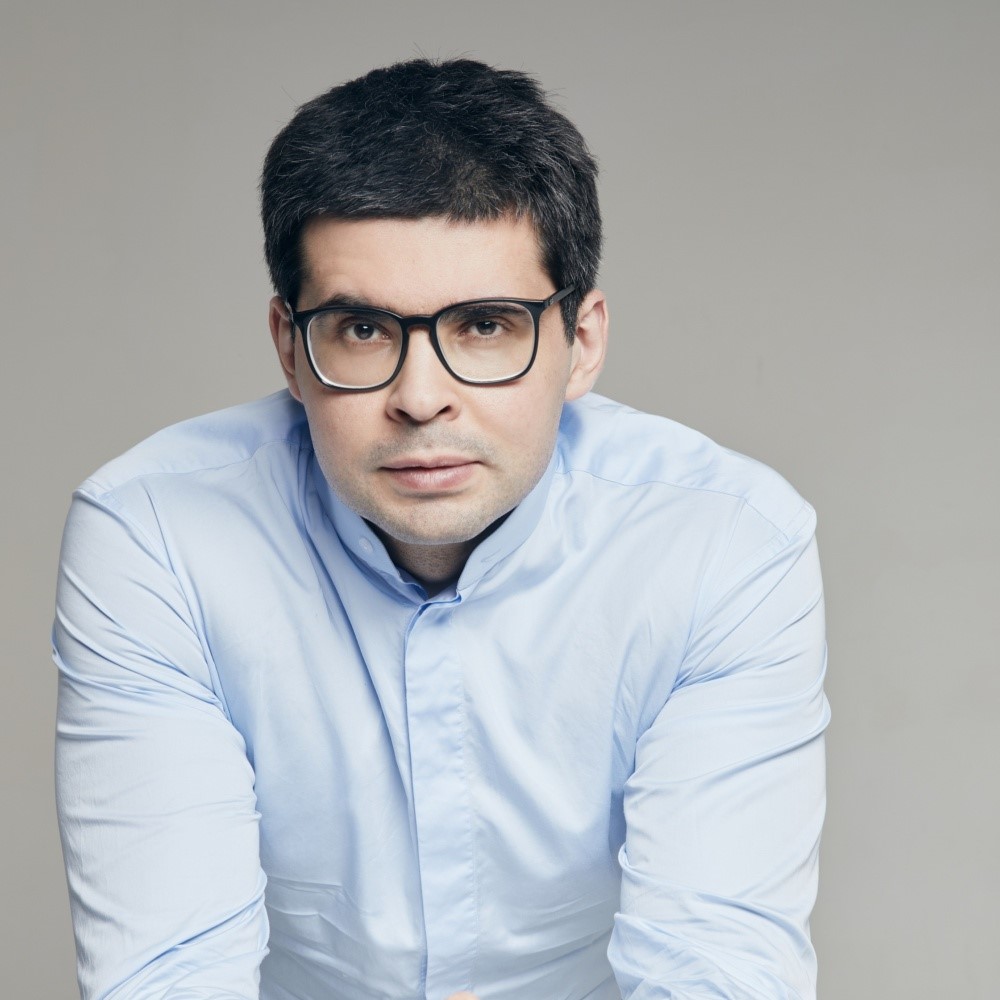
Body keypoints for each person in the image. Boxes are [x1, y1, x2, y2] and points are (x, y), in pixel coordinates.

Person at [54, 58, 830, 1000]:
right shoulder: (157, 536)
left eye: (486, 326)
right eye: (362, 330)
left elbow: (721, 972)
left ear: (582, 342)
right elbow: (166, 978)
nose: (421, 398)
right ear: (290, 348)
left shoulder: (724, 544)